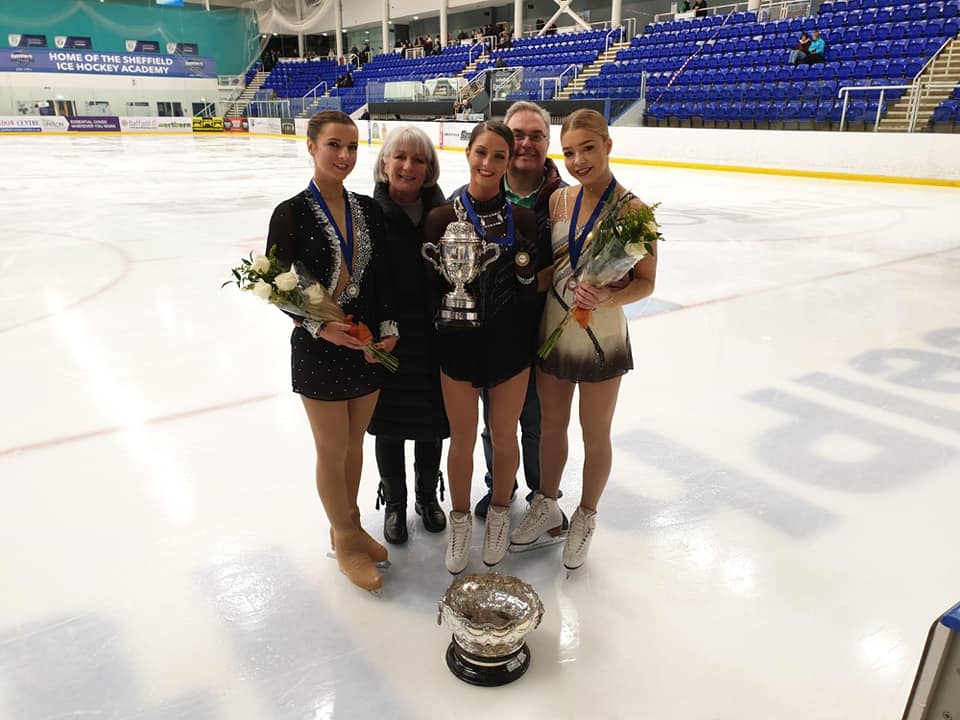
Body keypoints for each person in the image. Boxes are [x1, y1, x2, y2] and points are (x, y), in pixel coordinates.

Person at [510, 109, 658, 571]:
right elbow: (556, 265)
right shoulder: (559, 202)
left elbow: (647, 282)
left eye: (587, 149)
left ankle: (587, 515)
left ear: (608, 145)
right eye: (570, 152)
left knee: (596, 433)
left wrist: (611, 296)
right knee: (551, 426)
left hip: (602, 334)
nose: (578, 160)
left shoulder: (633, 209)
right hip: (556, 327)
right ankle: (546, 503)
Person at [265, 110, 398, 592]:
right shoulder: (291, 213)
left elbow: (381, 279)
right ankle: (343, 538)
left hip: (363, 347)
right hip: (319, 350)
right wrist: (320, 328)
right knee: (332, 447)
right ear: (311, 146)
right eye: (333, 146)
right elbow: (276, 287)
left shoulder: (368, 209)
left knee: (356, 445)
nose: (344, 156)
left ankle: (353, 523)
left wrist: (386, 330)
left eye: (351, 147)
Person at [423, 121, 550, 574]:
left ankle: (498, 515)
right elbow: (427, 290)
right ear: (468, 152)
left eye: (499, 155)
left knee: (503, 435)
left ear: (510, 158)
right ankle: (460, 523)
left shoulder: (526, 220)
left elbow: (535, 287)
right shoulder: (441, 218)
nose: (488, 163)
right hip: (457, 347)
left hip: (510, 350)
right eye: (481, 152)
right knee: (461, 438)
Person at [468, 101, 566, 522]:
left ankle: (545, 497)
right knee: (497, 421)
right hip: (495, 334)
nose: (526, 143)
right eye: (518, 135)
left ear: (548, 142)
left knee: (540, 421)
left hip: (547, 329)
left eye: (536, 135)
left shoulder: (564, 199)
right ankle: (500, 488)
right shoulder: (481, 192)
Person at [369, 127, 449, 545]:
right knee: (390, 422)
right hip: (390, 336)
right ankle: (395, 501)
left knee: (431, 420)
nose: (408, 166)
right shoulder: (367, 213)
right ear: (385, 164)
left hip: (435, 335)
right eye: (400, 157)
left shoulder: (446, 211)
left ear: (430, 169)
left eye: (419, 160)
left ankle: (425, 496)